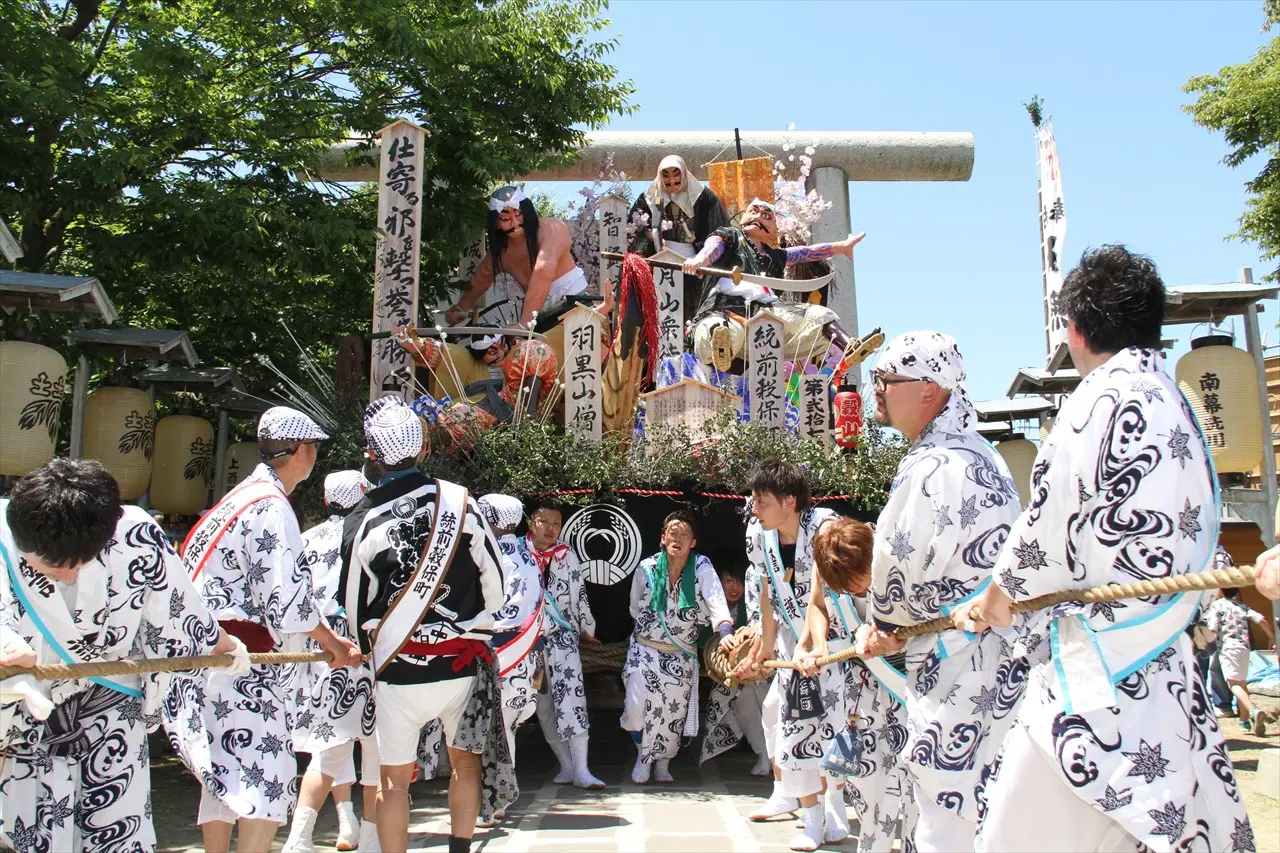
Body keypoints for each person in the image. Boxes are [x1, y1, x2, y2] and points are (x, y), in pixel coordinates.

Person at [959, 246, 1255, 852]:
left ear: (1073, 329)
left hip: (1099, 668)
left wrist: (999, 595)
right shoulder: (1179, 404)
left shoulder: (1094, 401)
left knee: (1013, 836)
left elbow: (1048, 527)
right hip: (1164, 656)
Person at [0, 459, 246, 853]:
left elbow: (182, 611)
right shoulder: (4, 532)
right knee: (31, 834)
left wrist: (225, 646)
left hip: (112, 713)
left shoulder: (134, 532)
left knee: (115, 833)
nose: (65, 576)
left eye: (75, 565)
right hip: (29, 717)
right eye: (47, 564)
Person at [855, 331, 1027, 853]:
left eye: (888, 379)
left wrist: (882, 625)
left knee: (943, 803)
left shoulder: (933, 464)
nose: (877, 389)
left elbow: (897, 560)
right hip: (998, 651)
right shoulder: (981, 453)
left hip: (953, 659)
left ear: (930, 391)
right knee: (987, 799)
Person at [166, 406, 363, 853]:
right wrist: (333, 643)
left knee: (221, 775)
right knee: (266, 776)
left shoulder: (238, 498)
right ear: (304, 452)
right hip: (243, 664)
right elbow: (289, 599)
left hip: (209, 656)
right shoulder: (271, 507)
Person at [340, 396, 513, 853]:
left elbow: (355, 607)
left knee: (393, 782)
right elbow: (496, 577)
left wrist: (365, 648)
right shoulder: (459, 502)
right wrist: (481, 622)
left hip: (399, 668)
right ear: (421, 449)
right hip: (460, 663)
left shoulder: (364, 519)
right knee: (465, 764)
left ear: (372, 455)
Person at [730, 459, 845, 851]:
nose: (754, 508)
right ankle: (803, 805)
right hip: (792, 647)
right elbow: (768, 595)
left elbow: (828, 598)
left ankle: (833, 808)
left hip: (833, 645)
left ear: (790, 501)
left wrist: (815, 643)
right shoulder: (760, 535)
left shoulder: (826, 528)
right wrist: (763, 650)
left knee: (828, 730)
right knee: (784, 719)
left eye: (761, 500)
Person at [796, 516, 915, 853]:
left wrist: (893, 638)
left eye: (858, 583)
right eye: (846, 587)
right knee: (865, 780)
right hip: (861, 688)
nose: (853, 591)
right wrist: (818, 646)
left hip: (908, 684)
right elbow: (818, 605)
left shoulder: (896, 556)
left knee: (913, 779)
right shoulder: (827, 561)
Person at [283, 470, 378, 853]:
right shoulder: (369, 534)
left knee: (327, 750)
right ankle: (371, 838)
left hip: (322, 653)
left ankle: (299, 838)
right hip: (364, 652)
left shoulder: (306, 539)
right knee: (376, 752)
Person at [680, 199, 864, 369]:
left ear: (773, 227)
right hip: (726, 307)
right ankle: (721, 357)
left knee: (819, 315)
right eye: (754, 211)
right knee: (721, 330)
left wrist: (843, 246)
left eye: (767, 216)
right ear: (743, 217)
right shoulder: (729, 237)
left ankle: (849, 345)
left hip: (767, 312)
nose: (759, 217)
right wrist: (700, 261)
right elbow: (712, 247)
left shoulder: (775, 256)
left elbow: (807, 252)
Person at [621, 510, 733, 784]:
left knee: (672, 714)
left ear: (693, 542)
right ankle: (642, 756)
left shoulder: (702, 567)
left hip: (680, 654)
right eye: (673, 533)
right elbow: (636, 607)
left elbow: (716, 601)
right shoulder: (647, 569)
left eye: (684, 534)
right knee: (636, 708)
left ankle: (662, 764)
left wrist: (725, 630)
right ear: (662, 538)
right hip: (645, 649)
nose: (678, 538)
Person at [526, 501, 606, 790]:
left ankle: (583, 768)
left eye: (556, 523)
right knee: (542, 705)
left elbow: (580, 594)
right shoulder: (518, 554)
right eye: (543, 521)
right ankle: (566, 764)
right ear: (530, 522)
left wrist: (587, 627)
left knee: (572, 701)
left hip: (563, 640)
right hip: (528, 644)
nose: (550, 528)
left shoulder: (567, 555)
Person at [477, 491, 544, 826]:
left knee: (494, 731)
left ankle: (494, 800)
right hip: (522, 657)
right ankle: (498, 795)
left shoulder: (492, 557)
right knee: (507, 729)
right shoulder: (528, 555)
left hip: (498, 654)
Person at [446, 185, 588, 330]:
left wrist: (524, 322)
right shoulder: (500, 252)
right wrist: (461, 308)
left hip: (574, 302)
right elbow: (481, 279)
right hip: (538, 315)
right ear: (496, 224)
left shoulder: (552, 228)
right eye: (505, 218)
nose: (515, 223)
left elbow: (544, 271)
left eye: (519, 214)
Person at [700, 563, 772, 777]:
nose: (734, 587)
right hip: (727, 676)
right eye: (729, 580)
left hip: (761, 666)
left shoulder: (751, 607)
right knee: (741, 698)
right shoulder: (708, 606)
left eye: (739, 581)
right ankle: (763, 753)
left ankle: (774, 754)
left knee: (767, 698)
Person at [1204, 585, 1276, 734]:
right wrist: (1271, 637)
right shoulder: (1242, 606)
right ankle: (1245, 722)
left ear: (1220, 590)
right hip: (1244, 648)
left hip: (1228, 648)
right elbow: (1261, 619)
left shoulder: (1217, 605)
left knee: (1233, 684)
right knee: (1242, 684)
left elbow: (1211, 627)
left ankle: (1253, 710)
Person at [629, 154, 730, 260]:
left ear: (684, 173)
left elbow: (718, 229)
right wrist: (649, 234)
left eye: (676, 175)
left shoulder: (702, 195)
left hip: (695, 258)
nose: (671, 181)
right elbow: (633, 227)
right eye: (666, 176)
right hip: (658, 257)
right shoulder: (649, 197)